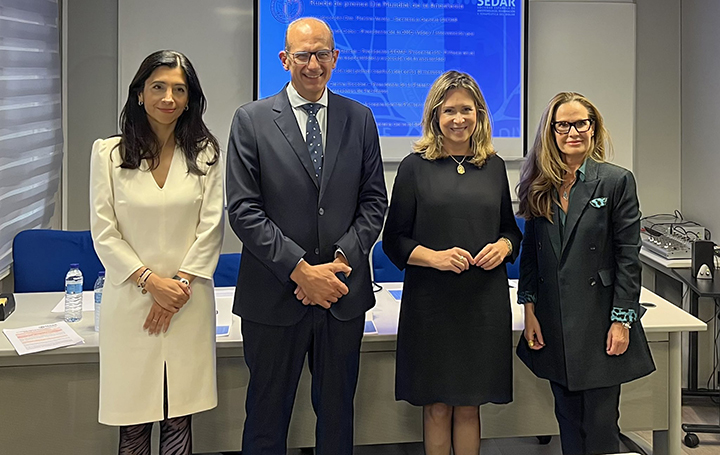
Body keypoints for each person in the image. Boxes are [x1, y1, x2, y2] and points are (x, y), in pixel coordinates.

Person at [225, 17, 387, 455]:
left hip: (341, 293)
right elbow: (243, 210)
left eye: (322, 54)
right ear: (284, 59)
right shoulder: (251, 121)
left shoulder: (360, 118)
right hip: (274, 297)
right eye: (302, 55)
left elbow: (374, 203)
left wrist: (338, 262)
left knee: (337, 419)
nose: (312, 64)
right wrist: (299, 270)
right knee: (265, 417)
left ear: (335, 58)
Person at [90, 50, 223, 455]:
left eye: (179, 90)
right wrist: (151, 282)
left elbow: (212, 226)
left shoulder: (206, 154)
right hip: (132, 304)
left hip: (188, 301)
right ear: (140, 94)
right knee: (133, 422)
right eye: (159, 87)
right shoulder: (108, 155)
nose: (169, 97)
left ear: (189, 99)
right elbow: (104, 231)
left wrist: (177, 286)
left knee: (179, 416)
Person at [382, 70, 522, 455]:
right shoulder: (414, 167)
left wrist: (504, 247)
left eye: (466, 109)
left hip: (481, 304)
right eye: (449, 111)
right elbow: (393, 241)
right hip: (432, 305)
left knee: (470, 404)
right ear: (435, 117)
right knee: (438, 404)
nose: (458, 119)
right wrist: (435, 258)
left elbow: (512, 231)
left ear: (479, 113)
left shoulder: (492, 166)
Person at [515, 92, 655, 455]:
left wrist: (622, 320)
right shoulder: (539, 183)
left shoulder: (615, 181)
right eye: (563, 124)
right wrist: (529, 311)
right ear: (551, 131)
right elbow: (531, 255)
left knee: (600, 424)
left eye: (581, 123)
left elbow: (628, 256)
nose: (573, 131)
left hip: (600, 320)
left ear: (594, 129)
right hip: (554, 318)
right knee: (568, 419)